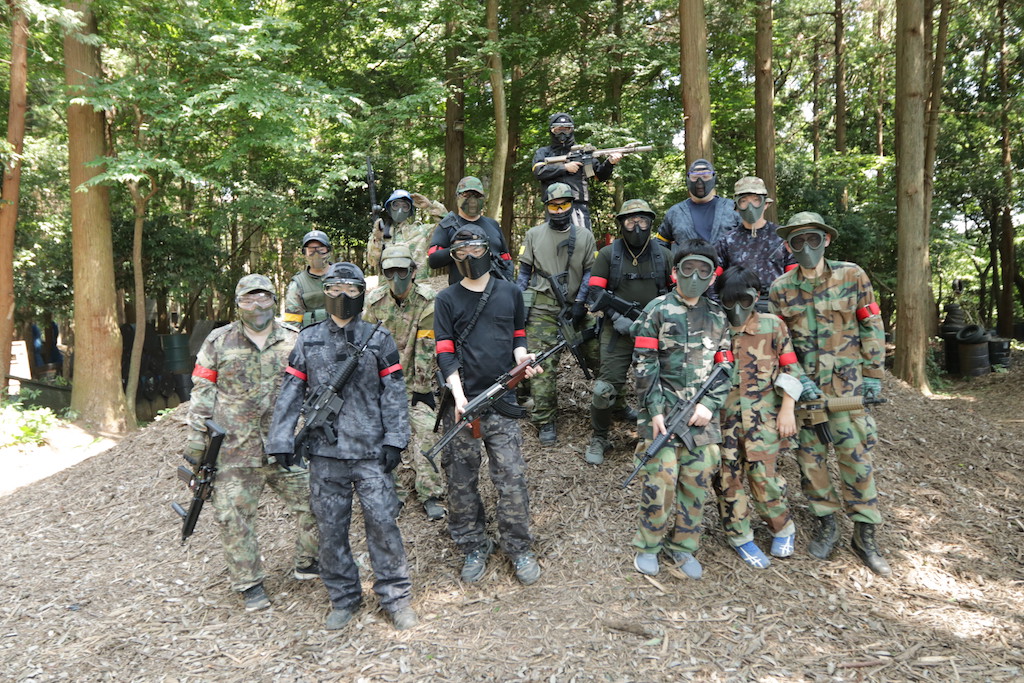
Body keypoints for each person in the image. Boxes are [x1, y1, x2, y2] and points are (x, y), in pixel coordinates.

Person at [267, 262, 419, 630]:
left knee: (383, 526)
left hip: (371, 453)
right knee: (331, 531)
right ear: (325, 292)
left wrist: (395, 440)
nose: (342, 296)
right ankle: (344, 598)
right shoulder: (309, 339)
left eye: (351, 290)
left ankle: (396, 599)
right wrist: (281, 439)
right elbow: (291, 391)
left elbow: (394, 392)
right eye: (334, 289)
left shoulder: (378, 338)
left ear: (361, 294)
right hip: (325, 454)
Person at [768, 211, 891, 576]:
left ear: (826, 239)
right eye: (798, 241)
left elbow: (871, 324)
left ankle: (865, 536)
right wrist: (796, 379)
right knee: (812, 463)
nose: (806, 246)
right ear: (788, 246)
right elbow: (779, 344)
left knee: (857, 460)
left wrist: (873, 374)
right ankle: (827, 525)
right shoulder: (780, 289)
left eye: (813, 239)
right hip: (805, 394)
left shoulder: (852, 276)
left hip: (847, 389)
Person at [187, 274, 319, 612]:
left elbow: (312, 390)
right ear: (237, 303)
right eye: (248, 299)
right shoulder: (218, 341)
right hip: (235, 449)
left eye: (263, 298)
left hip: (285, 445)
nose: (256, 306)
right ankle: (249, 584)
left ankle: (308, 561)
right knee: (234, 517)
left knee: (317, 501)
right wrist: (196, 440)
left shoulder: (295, 340)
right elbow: (202, 392)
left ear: (274, 300)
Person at [433, 227, 543, 586]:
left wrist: (523, 360)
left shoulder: (510, 292)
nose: (469, 257)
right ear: (453, 257)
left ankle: (519, 548)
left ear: (488, 250)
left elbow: (518, 336)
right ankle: (473, 546)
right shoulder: (446, 299)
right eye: (460, 252)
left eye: (475, 249)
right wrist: (459, 396)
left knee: (511, 477)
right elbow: (444, 351)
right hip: (463, 403)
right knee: (460, 481)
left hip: (502, 401)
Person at [630, 239, 732, 580]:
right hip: (662, 415)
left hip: (701, 419)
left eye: (703, 270)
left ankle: (683, 546)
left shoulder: (718, 316)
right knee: (660, 481)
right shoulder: (657, 310)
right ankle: (649, 546)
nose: (695, 276)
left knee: (696, 481)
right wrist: (655, 409)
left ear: (713, 276)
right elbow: (643, 363)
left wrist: (709, 405)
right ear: (675, 273)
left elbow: (726, 366)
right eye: (688, 269)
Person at [712, 266, 804, 569]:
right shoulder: (714, 328)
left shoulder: (773, 326)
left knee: (765, 478)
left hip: (763, 420)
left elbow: (791, 368)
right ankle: (740, 536)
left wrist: (788, 408)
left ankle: (782, 527)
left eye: (744, 300)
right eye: (729, 301)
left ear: (756, 297)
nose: (737, 308)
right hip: (724, 422)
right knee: (728, 480)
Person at [583, 199, 673, 464]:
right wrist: (616, 317)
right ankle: (600, 436)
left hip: (656, 333)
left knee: (665, 386)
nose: (637, 227)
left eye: (642, 220)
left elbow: (676, 294)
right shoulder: (608, 254)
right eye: (630, 221)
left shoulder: (664, 255)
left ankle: (661, 434)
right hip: (617, 332)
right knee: (604, 389)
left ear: (651, 223)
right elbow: (595, 291)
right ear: (621, 224)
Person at [364, 244, 446, 520]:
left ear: (412, 271)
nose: (396, 277)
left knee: (426, 432)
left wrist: (421, 390)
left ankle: (430, 493)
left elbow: (426, 347)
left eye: (402, 271)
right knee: (377, 436)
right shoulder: (374, 302)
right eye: (390, 272)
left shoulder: (427, 300)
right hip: (382, 387)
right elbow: (367, 348)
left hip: (415, 384)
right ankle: (392, 493)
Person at [516, 182, 598, 446]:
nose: (559, 210)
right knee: (541, 366)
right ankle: (545, 420)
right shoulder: (534, 235)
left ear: (572, 205)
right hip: (542, 310)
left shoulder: (585, 236)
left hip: (575, 309)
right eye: (554, 206)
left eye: (564, 205)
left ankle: (614, 405)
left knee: (600, 355)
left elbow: (590, 271)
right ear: (546, 208)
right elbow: (524, 274)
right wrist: (520, 308)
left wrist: (581, 302)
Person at [714, 176, 796, 309]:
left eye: (756, 200)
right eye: (744, 201)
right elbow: (713, 279)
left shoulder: (782, 237)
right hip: (739, 307)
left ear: (766, 204)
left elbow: (795, 277)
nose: (750, 206)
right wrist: (721, 309)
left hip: (777, 306)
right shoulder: (727, 240)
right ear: (737, 207)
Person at [531, 112, 621, 232]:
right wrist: (564, 167)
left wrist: (610, 162)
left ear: (572, 130)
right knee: (553, 239)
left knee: (581, 239)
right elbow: (539, 171)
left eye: (566, 129)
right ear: (552, 131)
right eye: (558, 130)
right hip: (553, 205)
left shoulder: (582, 153)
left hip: (578, 205)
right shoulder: (544, 152)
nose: (562, 133)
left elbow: (600, 175)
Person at [428, 176, 514, 284]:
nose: (472, 200)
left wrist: (508, 280)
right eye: (467, 195)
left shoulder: (493, 225)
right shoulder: (447, 226)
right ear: (458, 197)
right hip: (462, 291)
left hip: (496, 289)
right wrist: (460, 248)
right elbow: (433, 260)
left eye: (477, 196)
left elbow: (506, 258)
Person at [657, 159, 741, 256]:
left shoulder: (732, 208)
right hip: (688, 265)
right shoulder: (675, 212)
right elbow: (660, 243)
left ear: (713, 178)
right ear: (688, 179)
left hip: (726, 265)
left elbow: (748, 239)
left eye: (705, 176)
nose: (699, 181)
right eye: (695, 177)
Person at [366, 189, 447, 279]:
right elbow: (372, 261)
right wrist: (377, 240)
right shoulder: (381, 233)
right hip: (389, 285)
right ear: (389, 208)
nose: (400, 210)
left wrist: (430, 206)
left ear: (410, 211)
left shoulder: (421, 231)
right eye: (396, 205)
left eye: (405, 206)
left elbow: (447, 226)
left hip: (417, 285)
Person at [284, 230, 333, 328]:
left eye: (321, 250)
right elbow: (292, 322)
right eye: (311, 251)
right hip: (311, 335)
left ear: (328, 251)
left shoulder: (343, 276)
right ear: (304, 253)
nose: (316, 254)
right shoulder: (298, 284)